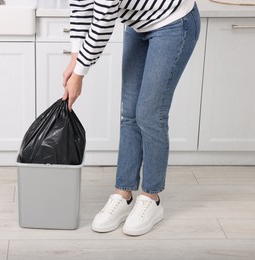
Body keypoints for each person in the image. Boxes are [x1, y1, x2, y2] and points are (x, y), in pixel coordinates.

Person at [62, 0, 200, 236]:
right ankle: (123, 193)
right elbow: (81, 8)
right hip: (138, 26)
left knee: (149, 114)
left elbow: (103, 21)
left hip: (173, 22)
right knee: (130, 113)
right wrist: (74, 57)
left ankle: (151, 197)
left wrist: (79, 74)